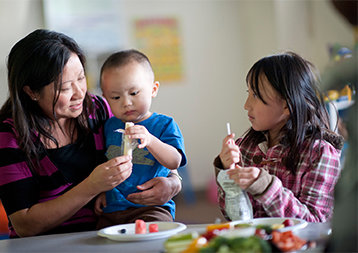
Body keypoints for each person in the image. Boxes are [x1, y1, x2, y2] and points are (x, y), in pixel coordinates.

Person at [0, 29, 182, 238]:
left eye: (81, 78)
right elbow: (25, 225)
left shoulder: (97, 109)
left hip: (103, 237)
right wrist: (93, 186)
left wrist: (173, 182)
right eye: (66, 87)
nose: (80, 93)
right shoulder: (9, 136)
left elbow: (154, 155)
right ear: (31, 92)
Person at [214, 52, 343, 222]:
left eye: (255, 95)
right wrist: (226, 169)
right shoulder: (244, 147)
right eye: (249, 93)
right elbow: (232, 216)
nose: (246, 105)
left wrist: (266, 186)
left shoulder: (320, 154)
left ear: (286, 106)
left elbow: (314, 223)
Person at [95, 50, 187, 229]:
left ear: (153, 90)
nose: (126, 102)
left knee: (151, 237)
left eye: (134, 93)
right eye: (116, 97)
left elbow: (175, 161)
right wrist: (103, 192)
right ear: (106, 99)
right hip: (113, 208)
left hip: (152, 208)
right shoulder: (108, 126)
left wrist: (150, 140)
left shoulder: (164, 124)